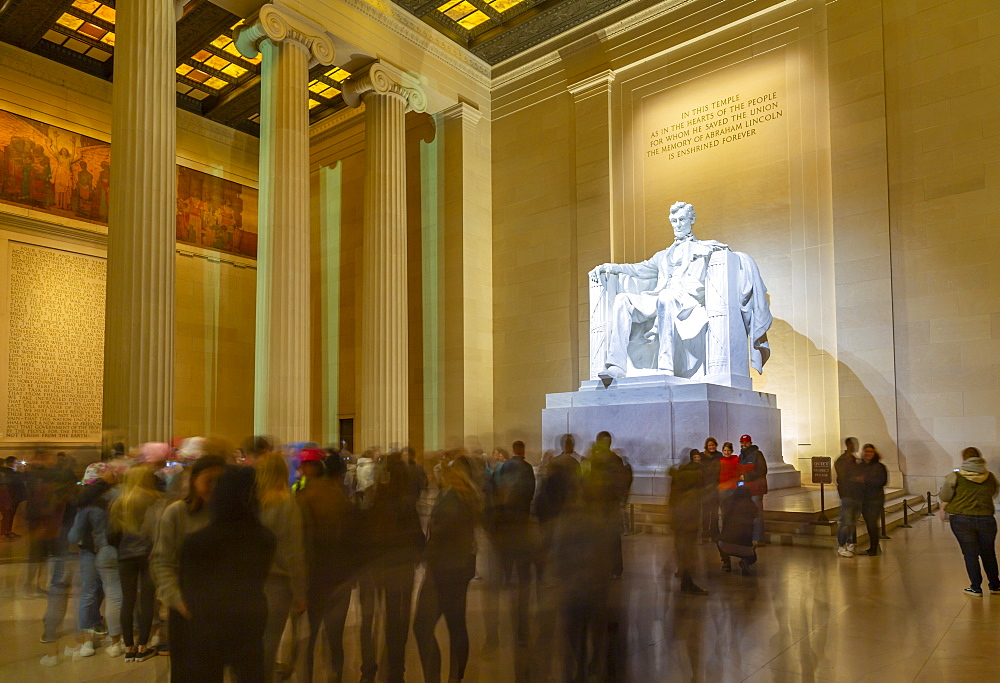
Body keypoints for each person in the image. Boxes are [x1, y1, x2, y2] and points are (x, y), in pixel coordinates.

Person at [589, 200, 771, 379]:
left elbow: (729, 256)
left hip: (686, 301)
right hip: (661, 296)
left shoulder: (704, 247)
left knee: (666, 298)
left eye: (682, 220)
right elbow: (639, 269)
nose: (677, 225)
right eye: (674, 221)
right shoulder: (662, 255)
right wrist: (612, 268)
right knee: (623, 299)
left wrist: (719, 252)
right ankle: (616, 365)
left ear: (691, 220)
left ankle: (666, 366)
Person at [178, 466, 277, 682]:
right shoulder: (265, 538)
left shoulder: (197, 542)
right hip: (250, 619)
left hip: (208, 625)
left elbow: (191, 590)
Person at [150, 454, 227, 683]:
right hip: (186, 608)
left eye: (220, 481)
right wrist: (179, 602)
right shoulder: (176, 513)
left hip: (219, 609)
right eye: (208, 480)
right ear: (193, 481)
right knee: (186, 673)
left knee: (214, 673)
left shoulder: (227, 517)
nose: (213, 487)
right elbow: (162, 562)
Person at [414, 455, 482, 683]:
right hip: (456, 568)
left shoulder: (454, 500)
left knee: (423, 626)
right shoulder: (461, 496)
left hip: (444, 570)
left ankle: (436, 678)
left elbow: (445, 532)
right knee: (456, 626)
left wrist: (429, 550)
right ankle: (454, 677)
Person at [299, 454, 360, 683]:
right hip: (340, 578)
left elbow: (300, 543)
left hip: (313, 579)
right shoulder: (344, 500)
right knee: (335, 640)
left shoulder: (304, 498)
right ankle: (335, 677)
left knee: (308, 640)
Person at [255, 452, 307, 680]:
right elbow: (292, 551)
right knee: (269, 642)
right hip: (277, 583)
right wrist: (299, 591)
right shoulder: (286, 503)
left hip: (251, 580)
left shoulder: (250, 502)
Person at [67, 462, 124, 657]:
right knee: (112, 592)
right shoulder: (118, 498)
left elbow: (73, 536)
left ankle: (88, 639)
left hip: (90, 551)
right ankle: (112, 634)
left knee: (89, 592)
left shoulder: (86, 503)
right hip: (112, 550)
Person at [109, 464, 164, 663]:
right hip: (150, 555)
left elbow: (111, 535)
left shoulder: (120, 502)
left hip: (126, 556)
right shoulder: (158, 500)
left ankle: (128, 647)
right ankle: (143, 646)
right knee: (148, 601)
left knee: (128, 600)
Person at [489, 440, 537, 646]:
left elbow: (495, 490)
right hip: (521, 522)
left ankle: (506, 579)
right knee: (522, 566)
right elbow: (531, 491)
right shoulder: (526, 468)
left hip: (506, 524)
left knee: (506, 564)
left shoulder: (504, 468)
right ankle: (522, 625)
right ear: (523, 450)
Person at [939, 447, 999, 596]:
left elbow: (945, 495)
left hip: (961, 518)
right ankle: (995, 585)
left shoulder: (955, 476)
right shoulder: (990, 476)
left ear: (964, 459)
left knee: (970, 554)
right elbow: (993, 492)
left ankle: (976, 587)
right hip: (986, 518)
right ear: (980, 458)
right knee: (989, 553)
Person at [669, 450, 707, 594]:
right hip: (689, 519)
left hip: (679, 519)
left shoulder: (678, 476)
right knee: (689, 552)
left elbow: (672, 499)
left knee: (681, 550)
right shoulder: (696, 475)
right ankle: (687, 582)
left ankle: (685, 578)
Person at [718, 485, 759, 575]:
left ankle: (726, 563)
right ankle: (745, 561)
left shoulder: (727, 503)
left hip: (725, 544)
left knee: (720, 541)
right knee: (753, 557)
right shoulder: (752, 506)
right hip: (744, 546)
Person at [857, 444, 888, 556]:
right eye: (866, 451)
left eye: (871, 452)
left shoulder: (879, 466)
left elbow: (882, 481)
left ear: (874, 453)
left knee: (872, 523)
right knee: (869, 523)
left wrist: (865, 480)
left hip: (875, 499)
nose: (868, 454)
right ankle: (874, 546)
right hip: (864, 498)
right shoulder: (860, 466)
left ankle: (874, 547)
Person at [737, 434, 768, 545]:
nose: (743, 444)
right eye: (742, 442)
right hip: (745, 489)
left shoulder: (757, 454)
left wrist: (746, 477)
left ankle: (758, 538)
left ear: (750, 442)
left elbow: (762, 470)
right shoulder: (741, 456)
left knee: (757, 513)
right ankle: (749, 537)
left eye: (745, 442)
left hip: (756, 489)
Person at [835, 437, 862, 558]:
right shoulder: (842, 460)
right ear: (848, 445)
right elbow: (842, 477)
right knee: (845, 521)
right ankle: (841, 546)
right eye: (853, 444)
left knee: (852, 521)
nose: (855, 446)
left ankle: (851, 543)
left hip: (856, 494)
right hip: (848, 494)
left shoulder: (855, 460)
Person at [700, 437, 722, 542]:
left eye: (713, 445)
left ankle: (714, 533)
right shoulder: (702, 456)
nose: (711, 447)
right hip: (705, 489)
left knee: (714, 513)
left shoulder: (719, 456)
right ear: (706, 446)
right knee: (705, 513)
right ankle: (705, 533)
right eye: (709, 445)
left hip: (715, 488)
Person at [0, 455, 25, 539]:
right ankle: (7, 531)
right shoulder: (13, 473)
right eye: (16, 463)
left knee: (7, 515)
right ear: (11, 463)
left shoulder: (4, 472)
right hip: (12, 497)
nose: (17, 465)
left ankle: (5, 531)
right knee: (9, 515)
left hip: (8, 497)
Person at [717, 442, 741, 518]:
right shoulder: (720, 461)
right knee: (724, 511)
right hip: (723, 488)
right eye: (725, 450)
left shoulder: (736, 459)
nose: (727, 452)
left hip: (733, 488)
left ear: (732, 451)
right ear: (722, 451)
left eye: (728, 450)